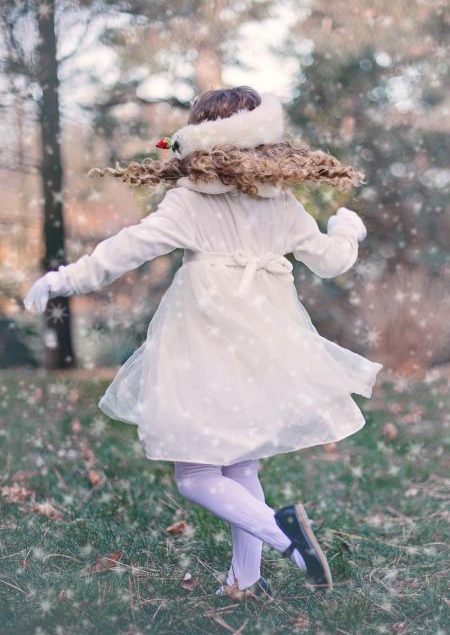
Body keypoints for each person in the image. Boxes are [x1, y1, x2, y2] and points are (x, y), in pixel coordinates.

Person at [24, 86, 383, 599]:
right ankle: (244, 581)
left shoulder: (190, 201)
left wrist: (64, 279)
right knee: (240, 463)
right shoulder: (281, 203)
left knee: (195, 473)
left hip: (203, 339)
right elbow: (330, 261)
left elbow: (125, 250)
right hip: (268, 336)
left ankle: (285, 537)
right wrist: (346, 230)